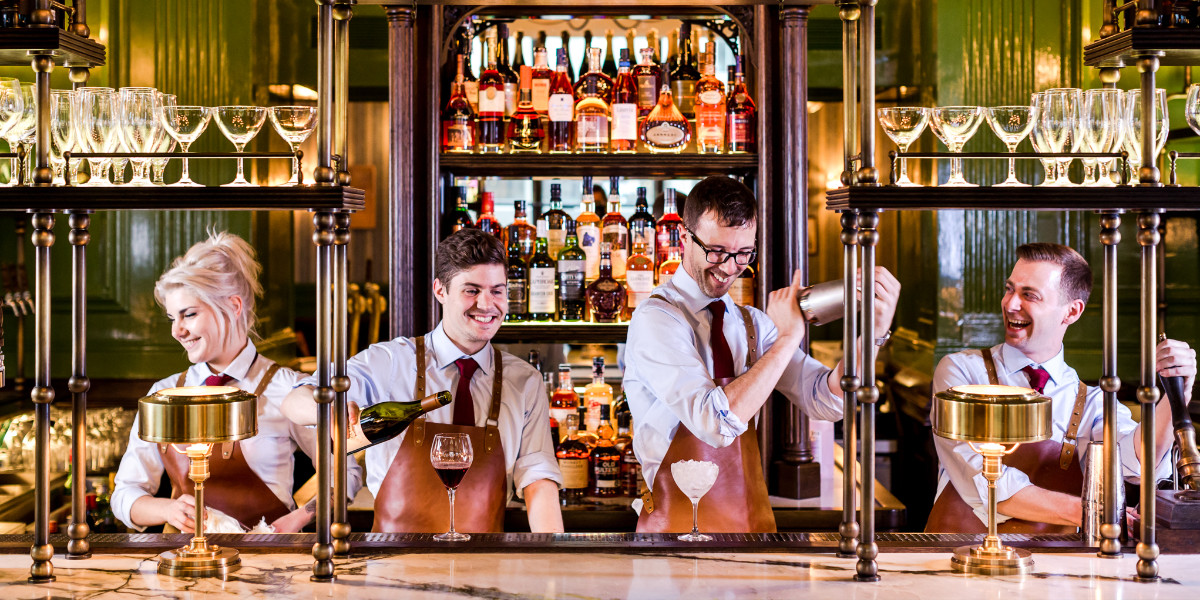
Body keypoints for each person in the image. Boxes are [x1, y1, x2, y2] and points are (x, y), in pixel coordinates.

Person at [623, 176, 901, 533]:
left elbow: (826, 401)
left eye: (743, 254)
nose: (728, 266)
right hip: (674, 535)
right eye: (716, 251)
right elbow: (715, 423)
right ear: (683, 240)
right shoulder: (657, 319)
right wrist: (788, 338)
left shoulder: (751, 324)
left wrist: (873, 333)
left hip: (750, 530)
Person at [282, 228, 564, 533]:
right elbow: (293, 401)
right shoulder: (389, 362)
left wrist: (556, 566)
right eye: (471, 290)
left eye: (497, 291)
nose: (486, 304)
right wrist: (326, 408)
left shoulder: (524, 381)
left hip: (485, 566)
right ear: (440, 290)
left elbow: (539, 481)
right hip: (393, 568)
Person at [926, 243, 1195, 533]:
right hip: (959, 559)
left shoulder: (1092, 402)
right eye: (1009, 289)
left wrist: (1177, 393)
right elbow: (979, 476)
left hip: (1054, 569)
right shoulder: (962, 372)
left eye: (1029, 295)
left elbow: (1135, 464)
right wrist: (1089, 511)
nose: (1010, 304)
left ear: (1071, 312)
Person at [112, 233, 362, 534]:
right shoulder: (162, 395)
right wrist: (168, 509)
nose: (178, 331)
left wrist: (298, 518)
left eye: (189, 314)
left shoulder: (289, 389)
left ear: (233, 306)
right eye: (171, 318)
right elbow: (124, 495)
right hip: (184, 569)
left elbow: (345, 471)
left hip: (267, 568)